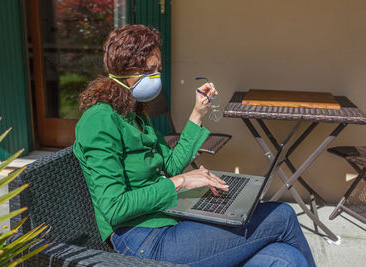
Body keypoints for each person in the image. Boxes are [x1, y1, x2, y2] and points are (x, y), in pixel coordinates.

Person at [73, 24, 316, 267]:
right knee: (282, 216)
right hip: (144, 241)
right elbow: (114, 207)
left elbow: (171, 164)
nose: (156, 78)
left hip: (170, 220)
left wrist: (198, 112)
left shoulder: (135, 116)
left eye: (158, 70)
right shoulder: (100, 121)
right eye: (148, 70)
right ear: (123, 69)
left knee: (287, 259)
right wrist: (181, 182)